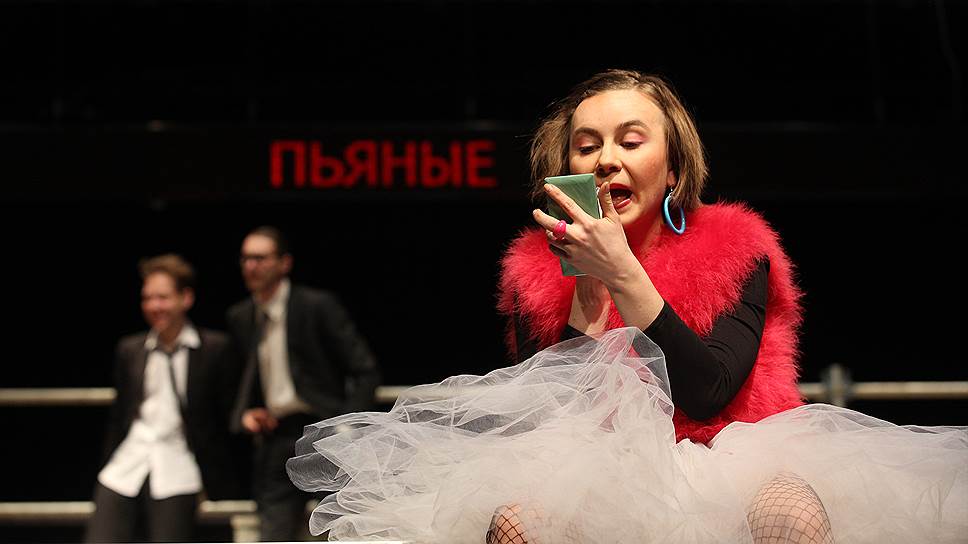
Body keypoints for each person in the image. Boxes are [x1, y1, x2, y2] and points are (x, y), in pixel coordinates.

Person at [286, 70, 967, 543]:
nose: (606, 159)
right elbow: (557, 415)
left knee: (789, 515)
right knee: (518, 522)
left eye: (630, 142)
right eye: (587, 146)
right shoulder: (534, 271)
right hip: (599, 468)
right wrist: (589, 294)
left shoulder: (738, 248)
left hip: (735, 456)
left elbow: (707, 392)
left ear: (673, 169)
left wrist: (624, 275)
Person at [227, 225, 381, 541]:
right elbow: (244, 379)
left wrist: (347, 427)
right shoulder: (242, 316)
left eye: (260, 258)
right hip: (277, 437)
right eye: (245, 258)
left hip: (324, 432)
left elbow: (365, 370)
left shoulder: (315, 306)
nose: (251, 266)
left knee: (342, 530)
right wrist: (248, 412)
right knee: (274, 534)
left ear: (284, 263)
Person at [86, 254, 243, 543]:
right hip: (128, 461)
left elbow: (227, 409)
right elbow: (119, 417)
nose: (153, 306)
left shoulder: (213, 349)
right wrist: (107, 461)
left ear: (186, 298)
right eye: (147, 298)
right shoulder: (131, 350)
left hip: (179, 464)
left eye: (162, 297)